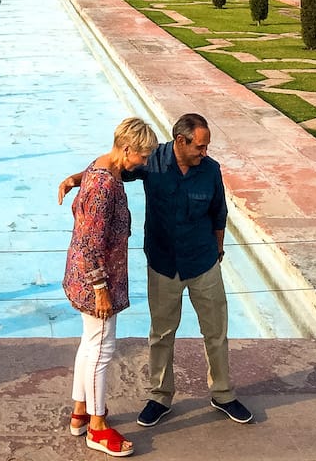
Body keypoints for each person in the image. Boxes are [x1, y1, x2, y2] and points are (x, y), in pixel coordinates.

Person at [60, 113, 252, 430]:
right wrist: (75, 179)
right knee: (161, 334)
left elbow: (220, 214)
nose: (204, 152)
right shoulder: (153, 160)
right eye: (200, 147)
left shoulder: (211, 170)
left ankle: (223, 393)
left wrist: (218, 250)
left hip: (203, 263)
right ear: (181, 141)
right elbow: (113, 168)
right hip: (163, 264)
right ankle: (160, 396)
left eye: (206, 147)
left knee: (215, 333)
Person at [59, 117, 158, 457]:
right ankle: (97, 427)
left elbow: (90, 184)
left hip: (83, 276)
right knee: (102, 350)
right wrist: (101, 289)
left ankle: (80, 412)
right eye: (142, 157)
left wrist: (75, 179)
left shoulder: (102, 166)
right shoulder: (105, 186)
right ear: (127, 149)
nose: (143, 164)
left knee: (90, 344)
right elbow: (90, 243)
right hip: (95, 282)